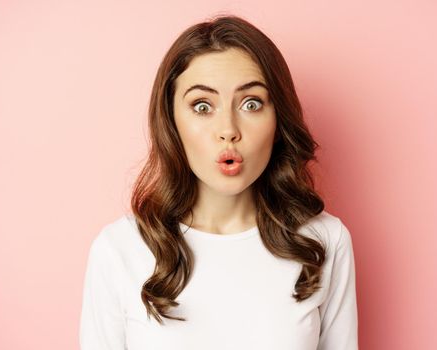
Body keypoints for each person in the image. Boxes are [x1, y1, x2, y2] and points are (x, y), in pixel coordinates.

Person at [79, 14, 358, 350]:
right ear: (171, 121)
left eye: (251, 103)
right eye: (202, 106)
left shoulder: (324, 241)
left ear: (277, 119)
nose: (228, 129)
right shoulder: (119, 250)